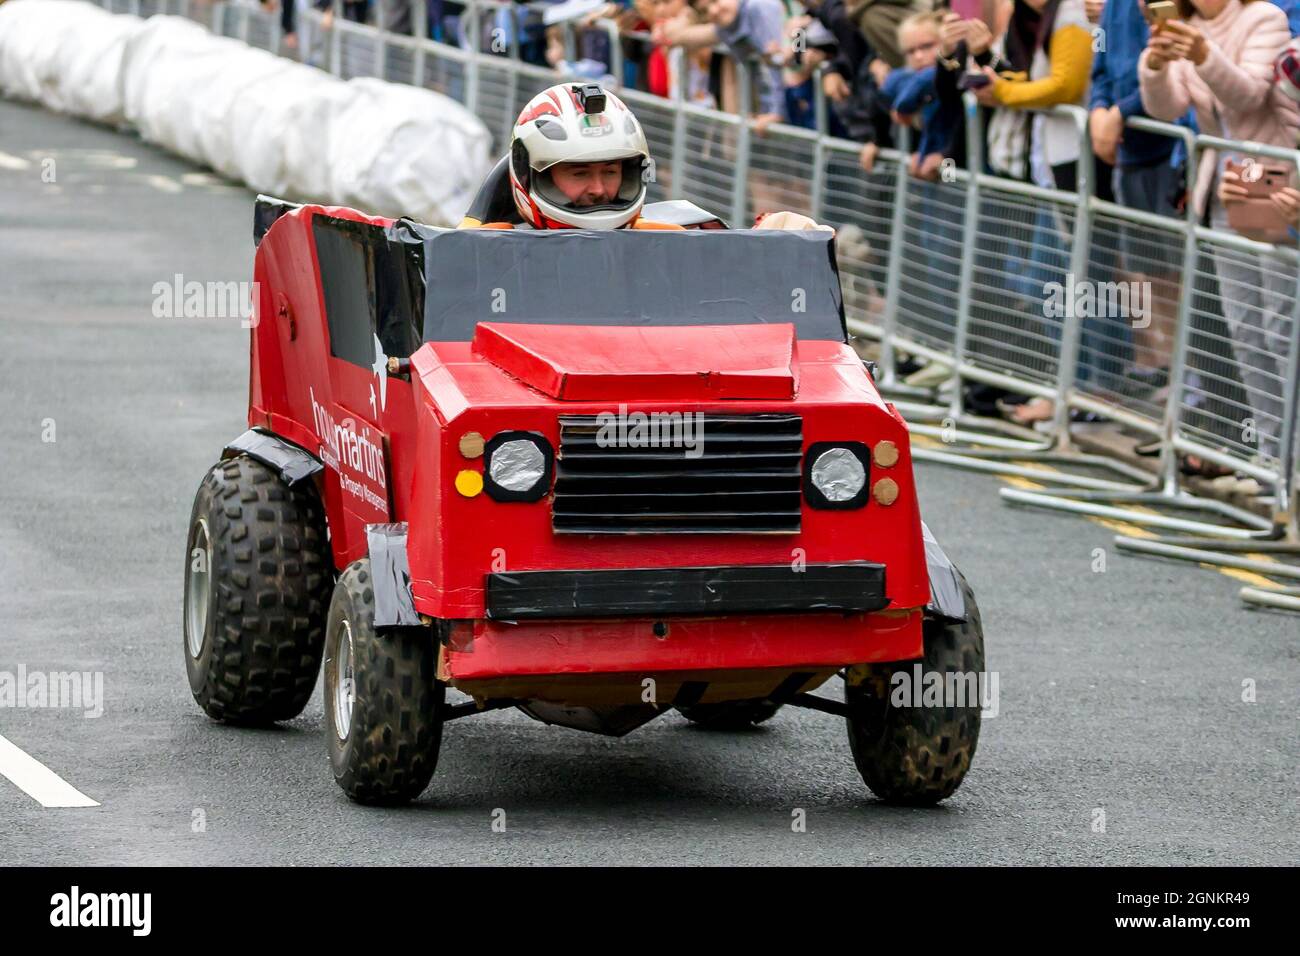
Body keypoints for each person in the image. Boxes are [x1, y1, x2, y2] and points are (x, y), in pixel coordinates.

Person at [1140, 0, 1299, 467]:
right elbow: (1167, 109)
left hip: (1272, 185)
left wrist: (1202, 52)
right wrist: (1155, 66)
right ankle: (1274, 469)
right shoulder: (1186, 25)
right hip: (1222, 189)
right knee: (1247, 334)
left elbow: (1246, 95)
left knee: (1282, 331)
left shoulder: (1264, 18)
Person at [460, 83, 829, 230]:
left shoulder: (674, 238)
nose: (599, 190)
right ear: (531, 175)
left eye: (610, 171)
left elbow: (744, 269)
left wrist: (782, 235)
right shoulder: (482, 252)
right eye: (578, 173)